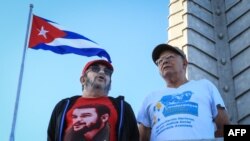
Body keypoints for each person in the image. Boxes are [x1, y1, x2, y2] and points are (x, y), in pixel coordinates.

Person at [137, 43, 230, 141]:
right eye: (160, 61)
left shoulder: (205, 86)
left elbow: (225, 127)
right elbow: (141, 137)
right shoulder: (150, 98)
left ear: (184, 63)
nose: (164, 61)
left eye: (170, 57)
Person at [48, 59, 139, 141]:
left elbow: (134, 137)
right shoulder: (63, 106)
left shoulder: (123, 107)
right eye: (95, 69)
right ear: (83, 80)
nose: (102, 72)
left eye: (107, 72)